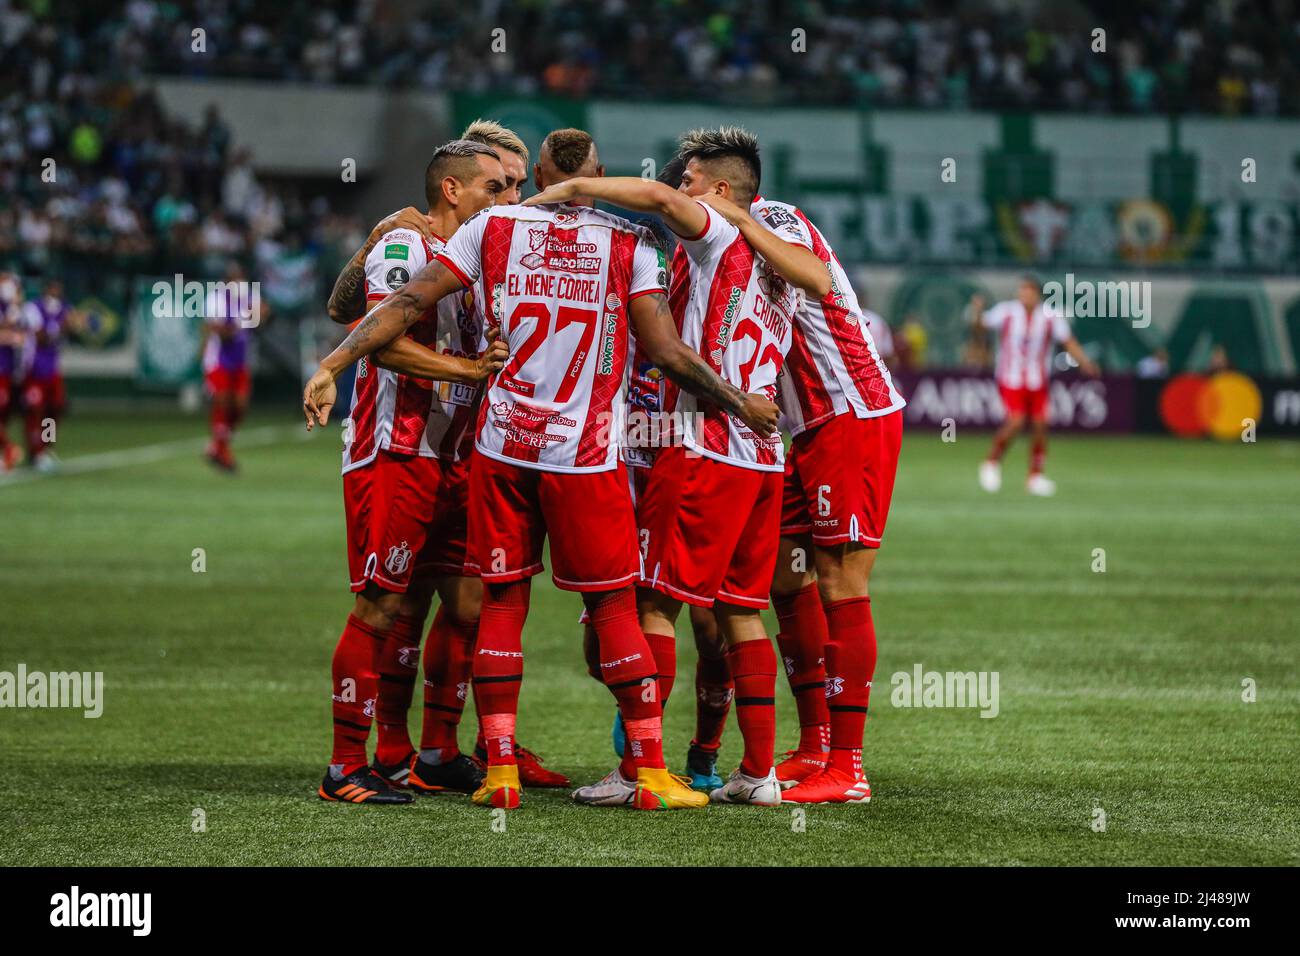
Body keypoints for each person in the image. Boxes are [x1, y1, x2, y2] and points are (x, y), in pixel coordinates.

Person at [304, 127, 779, 811]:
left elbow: (398, 307)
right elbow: (667, 351)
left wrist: (331, 364)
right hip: (557, 453)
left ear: (545, 175)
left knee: (487, 603)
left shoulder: (493, 230)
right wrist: (739, 401)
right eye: (500, 182)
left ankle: (487, 765)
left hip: (495, 448)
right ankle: (645, 768)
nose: (510, 191)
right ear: (595, 173)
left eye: (519, 181)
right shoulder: (630, 242)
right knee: (611, 605)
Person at [526, 126, 833, 806]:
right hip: (761, 455)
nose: (678, 190)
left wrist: (570, 189)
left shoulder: (718, 234)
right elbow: (821, 279)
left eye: (690, 181)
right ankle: (758, 775)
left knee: (654, 602)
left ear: (720, 190)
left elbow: (653, 199)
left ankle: (643, 771)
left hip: (702, 444)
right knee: (744, 612)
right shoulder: (776, 259)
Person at [315, 140, 511, 805]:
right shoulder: (405, 245)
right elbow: (383, 335)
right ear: (452, 190)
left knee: (465, 602)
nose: (507, 198)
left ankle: (431, 752)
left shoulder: (480, 261)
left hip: (454, 457)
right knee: (381, 604)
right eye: (494, 186)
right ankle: (346, 766)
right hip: (397, 449)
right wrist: (468, 371)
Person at [971, 278, 1099, 497]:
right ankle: (991, 463)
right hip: (1010, 379)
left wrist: (1085, 363)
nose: (1024, 295)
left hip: (1038, 381)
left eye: (1029, 291)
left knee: (1041, 425)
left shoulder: (1050, 317)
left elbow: (1068, 341)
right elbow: (981, 325)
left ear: (1037, 294)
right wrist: (977, 311)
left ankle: (1035, 476)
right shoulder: (1006, 312)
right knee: (1016, 421)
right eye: (1022, 291)